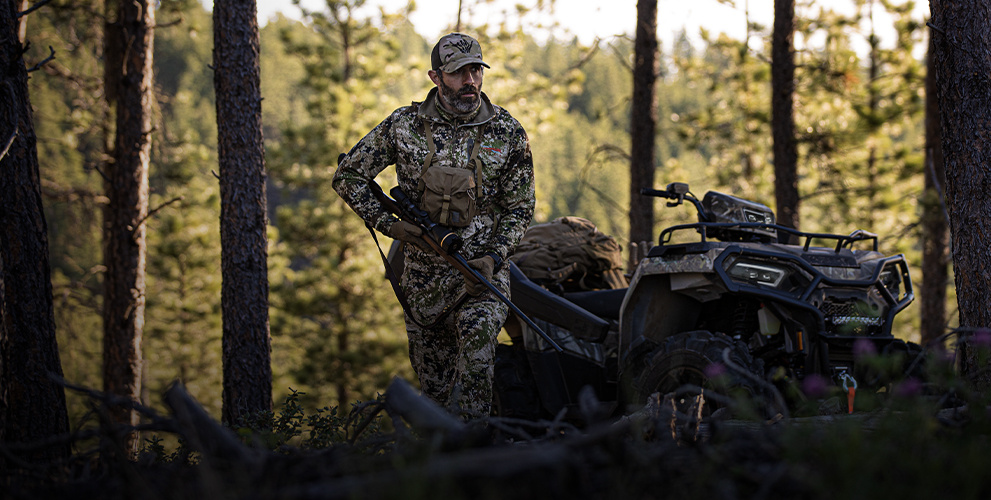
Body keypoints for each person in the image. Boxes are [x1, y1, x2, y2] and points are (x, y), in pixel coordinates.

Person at [332, 33, 535, 417]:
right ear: (436, 77)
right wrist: (389, 226)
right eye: (459, 72)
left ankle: (471, 457)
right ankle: (438, 469)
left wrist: (492, 257)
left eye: (476, 69)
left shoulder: (508, 132)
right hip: (423, 285)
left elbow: (520, 209)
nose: (470, 81)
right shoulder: (403, 126)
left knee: (474, 375)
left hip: (481, 280)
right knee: (436, 394)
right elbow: (349, 177)